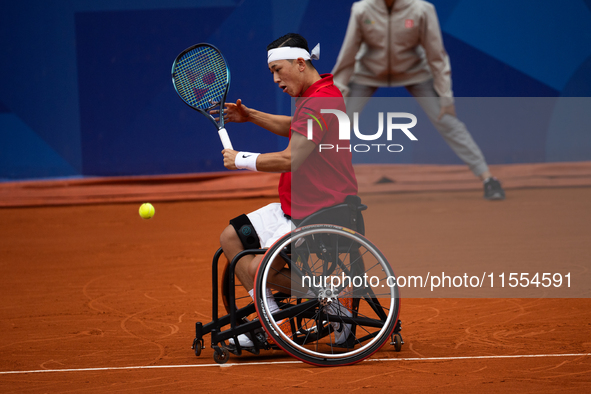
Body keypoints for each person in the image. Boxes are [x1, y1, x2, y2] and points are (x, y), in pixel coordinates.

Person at [215, 33, 357, 348]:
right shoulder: (317, 95)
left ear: (300, 62)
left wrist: (241, 160)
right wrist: (250, 115)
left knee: (256, 267)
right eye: (271, 73)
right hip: (295, 206)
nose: (276, 79)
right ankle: (274, 319)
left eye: (279, 70)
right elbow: (293, 125)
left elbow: (290, 157)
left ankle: (329, 305)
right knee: (230, 236)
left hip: (321, 209)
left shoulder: (322, 100)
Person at [331, 0, 505, 200]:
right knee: (337, 124)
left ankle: (488, 178)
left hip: (416, 72)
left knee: (447, 121)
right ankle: (312, 184)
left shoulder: (422, 10)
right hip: (367, 73)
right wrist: (337, 92)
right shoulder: (362, 9)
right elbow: (348, 54)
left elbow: (436, 55)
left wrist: (445, 96)